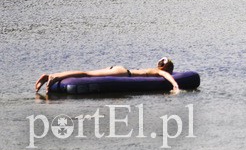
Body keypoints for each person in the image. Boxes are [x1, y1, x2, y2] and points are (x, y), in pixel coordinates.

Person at [35, 57, 179, 94]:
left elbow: (163, 72)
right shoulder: (157, 72)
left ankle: (50, 77)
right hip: (123, 73)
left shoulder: (152, 69)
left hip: (118, 69)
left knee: (88, 73)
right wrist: (175, 85)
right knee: (87, 74)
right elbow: (165, 75)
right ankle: (54, 77)